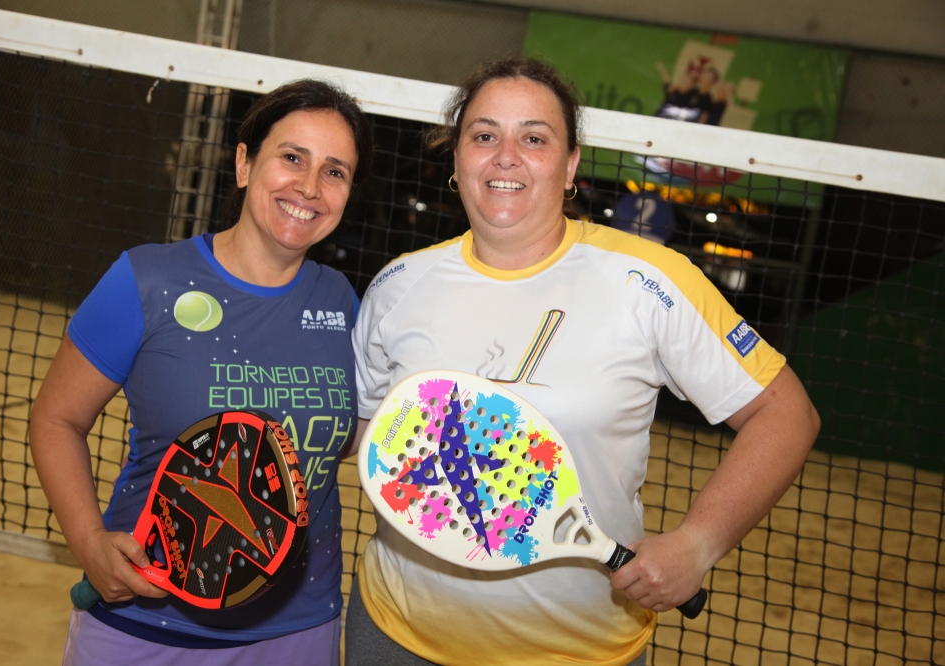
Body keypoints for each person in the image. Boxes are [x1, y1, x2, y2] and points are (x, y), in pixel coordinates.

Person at [346, 57, 819, 666]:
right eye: (484, 135)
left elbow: (786, 414)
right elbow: (366, 430)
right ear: (457, 159)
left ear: (570, 166)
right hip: (395, 636)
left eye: (534, 138)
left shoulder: (648, 281)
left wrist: (698, 544)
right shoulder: (398, 285)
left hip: (582, 649)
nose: (506, 156)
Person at [29, 79, 372, 664]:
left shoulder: (342, 301)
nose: (310, 187)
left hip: (298, 633)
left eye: (334, 171)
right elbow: (56, 419)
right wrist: (88, 542)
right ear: (244, 163)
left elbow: (348, 437)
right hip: (143, 624)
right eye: (292, 157)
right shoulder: (147, 280)